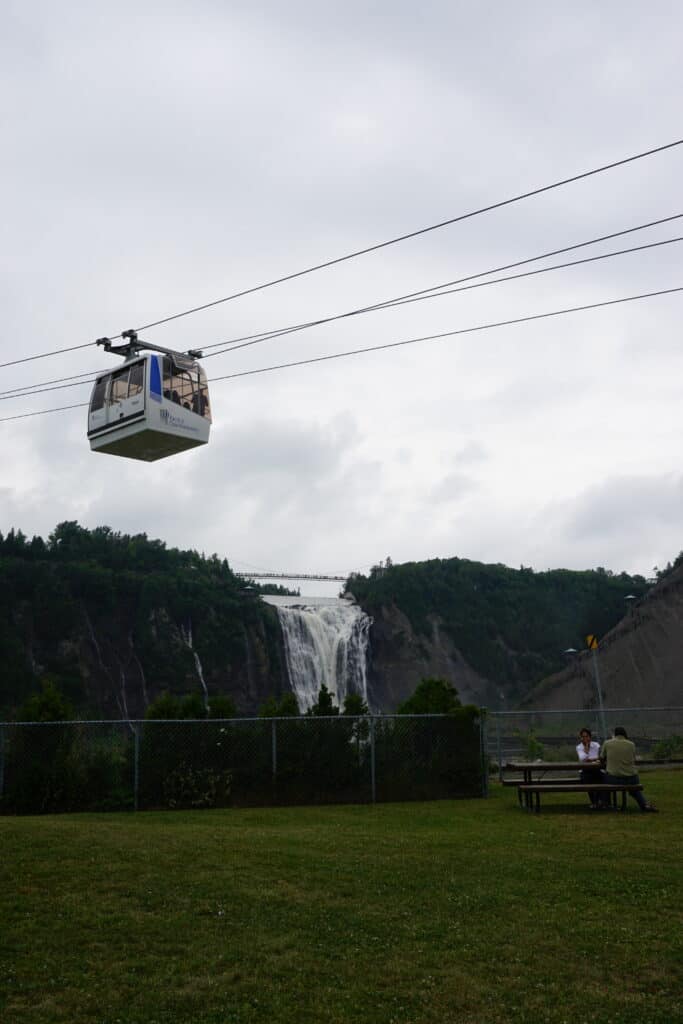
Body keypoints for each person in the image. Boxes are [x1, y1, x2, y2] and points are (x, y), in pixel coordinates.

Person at [600, 727, 658, 813]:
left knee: (603, 778)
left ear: (614, 734)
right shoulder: (631, 744)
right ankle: (644, 804)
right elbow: (633, 759)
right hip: (631, 778)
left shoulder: (607, 743)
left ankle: (605, 803)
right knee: (635, 790)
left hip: (614, 779)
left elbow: (601, 758)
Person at [576, 728, 605, 807]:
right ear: (581, 737)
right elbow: (583, 759)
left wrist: (591, 759)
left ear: (590, 737)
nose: (585, 738)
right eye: (583, 737)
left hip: (596, 769)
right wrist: (586, 750)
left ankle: (600, 801)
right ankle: (594, 802)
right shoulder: (579, 747)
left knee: (602, 778)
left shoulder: (596, 745)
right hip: (585, 770)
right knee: (587, 780)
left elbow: (601, 757)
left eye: (587, 736)